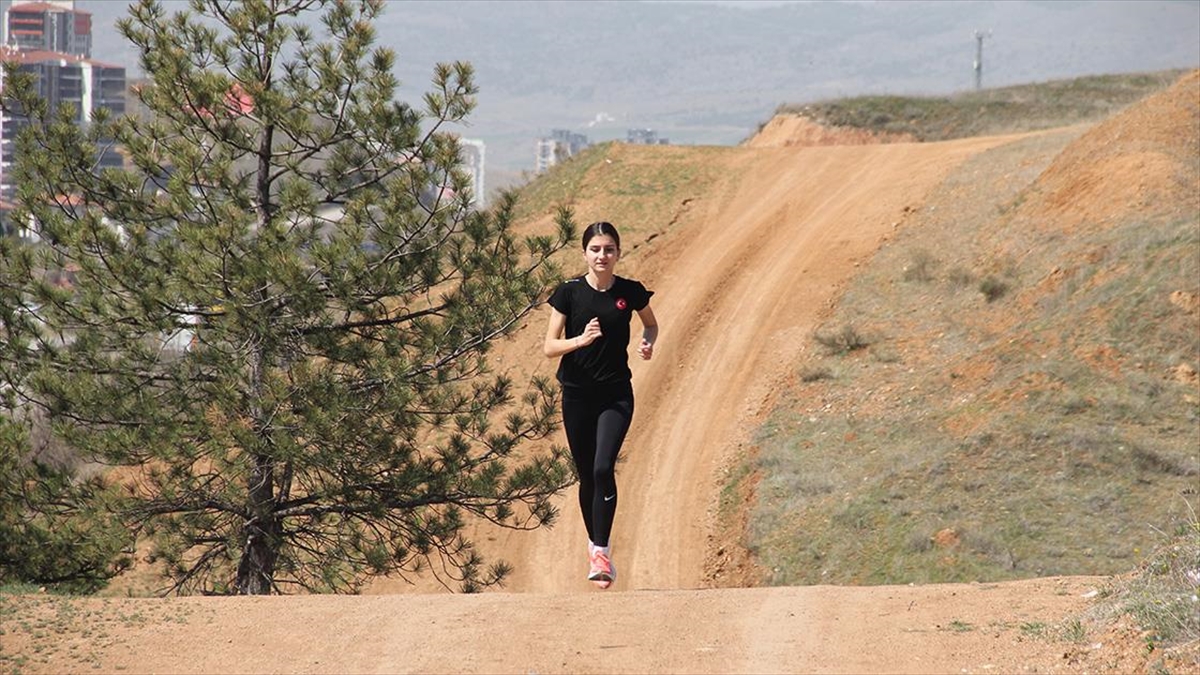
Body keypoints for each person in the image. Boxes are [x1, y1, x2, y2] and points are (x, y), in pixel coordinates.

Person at [543, 221, 659, 589]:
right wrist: (580, 340)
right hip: (577, 394)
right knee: (586, 475)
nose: (602, 256)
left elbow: (651, 325)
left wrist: (647, 343)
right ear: (585, 254)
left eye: (609, 249)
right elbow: (549, 347)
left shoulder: (629, 292)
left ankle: (601, 552)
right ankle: (595, 544)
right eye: (595, 249)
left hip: (615, 394)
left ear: (618, 253)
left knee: (602, 467)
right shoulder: (569, 293)